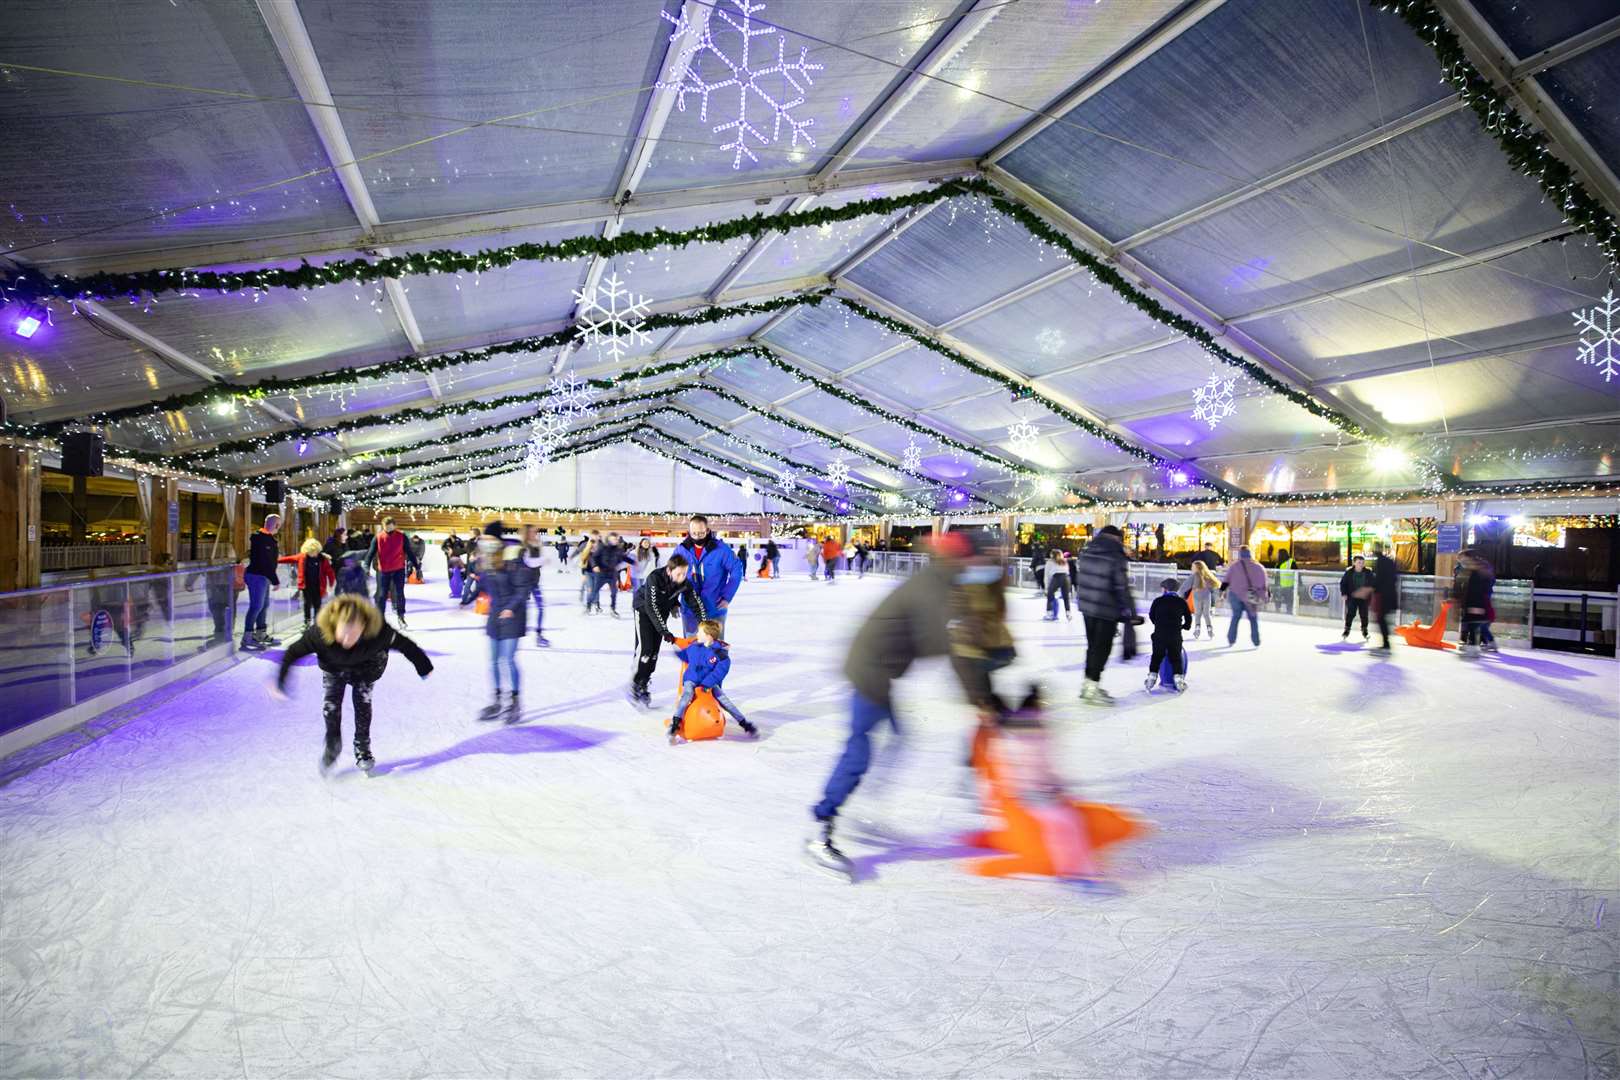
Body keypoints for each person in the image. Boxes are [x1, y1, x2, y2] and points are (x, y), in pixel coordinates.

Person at [806, 531, 1006, 878]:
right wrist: (980, 699)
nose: (983, 566)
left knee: (899, 736)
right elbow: (952, 652)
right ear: (964, 559)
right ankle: (821, 828)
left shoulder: (941, 581)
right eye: (980, 559)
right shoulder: (937, 592)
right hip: (870, 673)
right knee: (858, 753)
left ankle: (861, 814)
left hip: (878, 670)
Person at [270, 594, 433, 774]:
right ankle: (333, 744)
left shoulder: (379, 631)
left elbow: (406, 645)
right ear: (334, 626)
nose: (348, 639)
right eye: (344, 633)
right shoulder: (319, 633)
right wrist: (280, 681)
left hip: (367, 667)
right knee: (331, 705)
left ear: (364, 628)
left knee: (362, 702)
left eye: (354, 634)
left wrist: (423, 666)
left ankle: (362, 747)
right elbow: (293, 652)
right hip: (333, 667)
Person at [627, 553, 701, 709]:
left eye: (684, 573)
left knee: (654, 653)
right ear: (669, 571)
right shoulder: (655, 578)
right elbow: (651, 606)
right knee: (645, 650)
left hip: (662, 612)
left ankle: (644, 682)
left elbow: (695, 602)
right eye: (678, 573)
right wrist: (664, 630)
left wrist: (705, 623)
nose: (682, 577)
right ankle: (636, 683)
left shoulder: (683, 582)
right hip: (644, 610)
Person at [668, 618, 757, 744]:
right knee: (686, 695)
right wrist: (675, 647)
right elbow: (685, 655)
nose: (697, 634)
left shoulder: (719, 653)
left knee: (724, 701)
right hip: (691, 679)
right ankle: (675, 724)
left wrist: (707, 683)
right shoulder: (694, 646)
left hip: (708, 682)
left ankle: (744, 723)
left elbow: (720, 671)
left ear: (708, 636)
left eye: (700, 632)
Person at [476, 536, 536, 721]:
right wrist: (464, 602)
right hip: (495, 617)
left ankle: (515, 703)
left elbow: (522, 591)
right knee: (494, 661)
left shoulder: (513, 566)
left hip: (513, 617)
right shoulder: (487, 568)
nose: (486, 553)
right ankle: (497, 701)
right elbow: (481, 588)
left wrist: (510, 608)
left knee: (508, 660)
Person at [1074, 525, 1133, 706]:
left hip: (1087, 606)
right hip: (1106, 608)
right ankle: (1092, 688)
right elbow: (1121, 585)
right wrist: (1128, 609)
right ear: (1116, 538)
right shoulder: (1115, 553)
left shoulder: (1087, 550)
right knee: (1102, 648)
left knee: (1093, 647)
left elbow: (1080, 578)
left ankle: (1088, 685)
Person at [676, 515, 743, 635]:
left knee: (715, 646)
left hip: (714, 607)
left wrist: (726, 597)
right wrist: (673, 601)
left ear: (707, 530)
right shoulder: (681, 550)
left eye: (701, 533)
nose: (697, 537)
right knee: (692, 646)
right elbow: (673, 575)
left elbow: (736, 570)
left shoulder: (721, 549)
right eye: (694, 533)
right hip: (690, 607)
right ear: (689, 531)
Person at [366, 516, 420, 628]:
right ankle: (379, 619)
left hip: (398, 569)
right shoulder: (378, 537)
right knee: (381, 595)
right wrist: (366, 564)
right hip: (383, 571)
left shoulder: (401, 536)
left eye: (390, 527)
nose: (388, 530)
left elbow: (409, 552)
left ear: (394, 526)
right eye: (386, 528)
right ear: (383, 526)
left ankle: (401, 617)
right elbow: (371, 552)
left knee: (399, 593)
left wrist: (416, 566)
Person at [240, 513, 282, 652]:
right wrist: (275, 580)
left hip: (263, 577)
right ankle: (247, 636)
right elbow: (265, 562)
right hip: (257, 575)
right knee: (257, 606)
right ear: (276, 525)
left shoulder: (269, 539)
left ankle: (260, 633)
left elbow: (270, 561)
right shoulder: (260, 539)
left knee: (264, 605)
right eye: (278, 525)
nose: (278, 527)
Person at [1145, 577, 1191, 692]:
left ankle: (1151, 679)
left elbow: (1151, 615)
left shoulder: (1157, 601)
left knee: (1156, 657)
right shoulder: (1181, 602)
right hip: (1175, 635)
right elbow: (1188, 618)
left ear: (1165, 589)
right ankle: (1179, 681)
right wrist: (1184, 626)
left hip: (1159, 635)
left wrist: (1159, 624)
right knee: (1176, 658)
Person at [278, 537, 336, 628]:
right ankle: (307, 621)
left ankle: (317, 622)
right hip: (306, 586)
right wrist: (276, 560)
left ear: (317, 550)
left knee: (317, 604)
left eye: (314, 551)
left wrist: (332, 583)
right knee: (307, 603)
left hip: (318, 586)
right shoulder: (302, 557)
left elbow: (330, 572)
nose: (312, 554)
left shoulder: (322, 560)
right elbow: (290, 559)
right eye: (310, 552)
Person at [1221, 545, 1268, 648]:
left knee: (1236, 617)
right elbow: (1264, 584)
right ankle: (1256, 640)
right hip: (1251, 596)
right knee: (1253, 618)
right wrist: (1264, 597)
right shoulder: (1258, 567)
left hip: (1235, 595)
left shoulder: (1234, 566)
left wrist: (1221, 591)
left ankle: (1231, 639)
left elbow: (1226, 580)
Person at [1454, 549, 1495, 659]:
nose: (1460, 560)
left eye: (1462, 558)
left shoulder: (1479, 571)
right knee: (1471, 623)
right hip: (1471, 601)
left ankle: (1474, 648)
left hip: (1477, 601)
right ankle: (1472, 646)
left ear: (1469, 557)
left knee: (1474, 625)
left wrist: (1477, 605)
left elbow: (1481, 588)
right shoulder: (1469, 570)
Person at [589, 532, 632, 619]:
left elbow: (624, 558)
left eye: (616, 539)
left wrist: (634, 562)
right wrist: (595, 565)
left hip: (612, 574)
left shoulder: (618, 549)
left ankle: (613, 609)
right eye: (613, 539)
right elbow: (593, 557)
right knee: (595, 590)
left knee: (614, 592)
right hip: (601, 574)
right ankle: (588, 606)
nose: (615, 541)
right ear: (608, 539)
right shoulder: (603, 548)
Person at [520, 527, 550, 648]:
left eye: (536, 532)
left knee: (541, 608)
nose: (535, 534)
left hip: (534, 582)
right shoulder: (523, 547)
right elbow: (528, 562)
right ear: (527, 533)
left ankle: (539, 635)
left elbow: (537, 564)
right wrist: (543, 560)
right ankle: (515, 635)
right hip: (523, 582)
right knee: (521, 610)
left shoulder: (537, 545)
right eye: (533, 532)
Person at [1370, 541, 1400, 654]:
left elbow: (1378, 579)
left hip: (1382, 596)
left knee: (1381, 619)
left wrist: (1372, 587)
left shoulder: (1380, 562)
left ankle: (1386, 643)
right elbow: (1394, 578)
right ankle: (1386, 642)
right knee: (1383, 619)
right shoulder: (1390, 561)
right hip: (1390, 594)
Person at [1339, 554, 1375, 642]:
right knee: (1350, 614)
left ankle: (1365, 631)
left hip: (1364, 598)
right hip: (1352, 597)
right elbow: (1343, 583)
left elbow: (1373, 583)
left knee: (1364, 615)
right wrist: (1344, 593)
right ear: (1354, 563)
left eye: (1362, 563)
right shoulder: (1349, 572)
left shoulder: (1368, 572)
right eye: (1359, 562)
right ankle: (1347, 630)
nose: (1361, 564)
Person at [1181, 559, 1219, 640]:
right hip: (1206, 597)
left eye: (1193, 567)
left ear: (1197, 568)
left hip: (1197, 598)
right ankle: (1210, 630)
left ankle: (1197, 630)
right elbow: (1214, 585)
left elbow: (1185, 586)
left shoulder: (1193, 576)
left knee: (1197, 614)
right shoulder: (1207, 575)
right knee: (1206, 614)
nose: (1191, 568)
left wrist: (1178, 594)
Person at [1043, 549, 1071, 621]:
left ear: (1052, 555)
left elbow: (1046, 575)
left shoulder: (1050, 562)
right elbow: (1067, 571)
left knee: (1049, 594)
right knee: (1066, 597)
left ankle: (1049, 613)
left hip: (1057, 577)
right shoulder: (1064, 561)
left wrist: (1046, 587)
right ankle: (1068, 614)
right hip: (1066, 578)